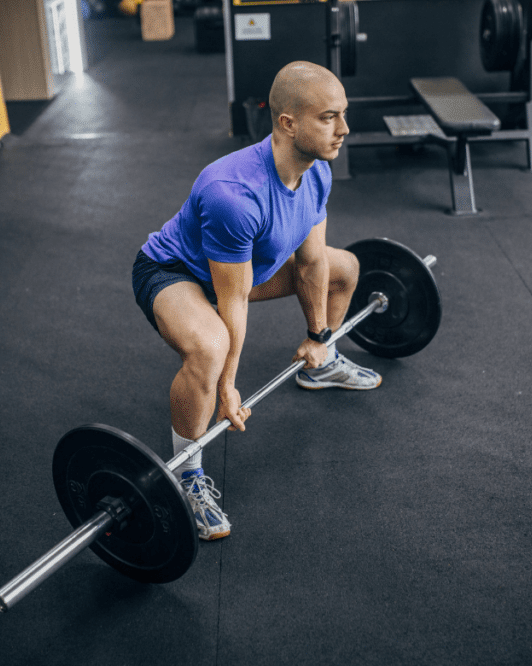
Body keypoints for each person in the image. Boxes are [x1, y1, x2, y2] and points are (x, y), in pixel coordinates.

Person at [131, 61, 381, 541]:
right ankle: (186, 472)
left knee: (343, 269)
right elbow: (234, 298)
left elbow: (310, 264)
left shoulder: (316, 173)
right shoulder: (233, 193)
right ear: (287, 123)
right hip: (176, 274)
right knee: (211, 344)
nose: (344, 130)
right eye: (329, 117)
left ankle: (323, 366)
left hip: (247, 268)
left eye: (343, 115)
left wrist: (318, 337)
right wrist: (228, 385)